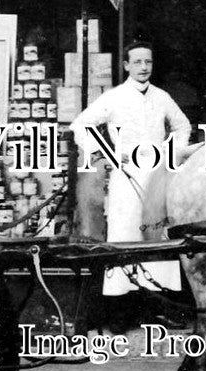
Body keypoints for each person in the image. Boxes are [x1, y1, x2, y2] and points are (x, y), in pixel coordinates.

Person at [69, 41, 192, 303]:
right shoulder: (114, 97)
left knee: (157, 234)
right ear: (126, 65)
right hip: (125, 175)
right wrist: (107, 152)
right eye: (137, 62)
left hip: (158, 175)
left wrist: (172, 152)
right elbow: (81, 125)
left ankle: (160, 303)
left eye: (147, 62)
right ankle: (121, 305)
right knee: (124, 234)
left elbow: (182, 127)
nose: (143, 67)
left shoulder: (162, 97)